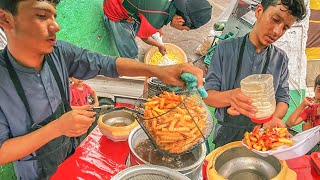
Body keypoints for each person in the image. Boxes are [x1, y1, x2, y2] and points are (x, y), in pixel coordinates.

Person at [0, 1, 204, 179]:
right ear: (6, 19)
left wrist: (158, 71)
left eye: (55, 16)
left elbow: (107, 64)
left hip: (71, 148)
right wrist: (57, 127)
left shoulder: (59, 52)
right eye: (41, 16)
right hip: (37, 170)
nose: (56, 26)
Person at [203, 0, 307, 148]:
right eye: (275, 19)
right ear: (259, 12)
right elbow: (208, 95)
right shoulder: (225, 49)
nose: (277, 32)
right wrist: (231, 97)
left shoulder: (281, 59)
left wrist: (274, 118)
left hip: (261, 135)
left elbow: (283, 99)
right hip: (227, 131)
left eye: (285, 28)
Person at [103, 0, 212, 59]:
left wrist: (156, 28)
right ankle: (130, 63)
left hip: (128, 3)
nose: (182, 31)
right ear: (179, 20)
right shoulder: (155, 20)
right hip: (114, 9)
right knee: (128, 45)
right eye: (184, 29)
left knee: (138, 24)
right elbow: (144, 38)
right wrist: (159, 45)